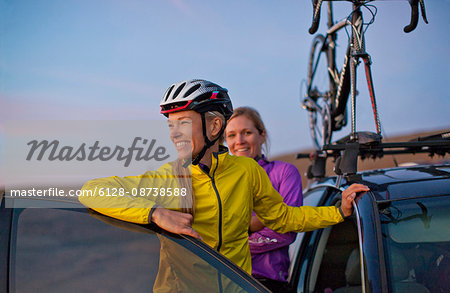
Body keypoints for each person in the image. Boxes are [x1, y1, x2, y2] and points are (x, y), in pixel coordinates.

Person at [79, 79, 369, 276]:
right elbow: (91, 191)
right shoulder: (169, 177)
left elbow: (283, 218)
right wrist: (154, 213)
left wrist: (338, 212)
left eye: (183, 123)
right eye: (170, 125)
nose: (174, 133)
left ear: (215, 125)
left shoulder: (246, 171)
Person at [225, 106, 302, 291]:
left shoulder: (284, 173)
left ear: (262, 135)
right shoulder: (219, 180)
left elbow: (286, 230)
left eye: (247, 132)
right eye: (232, 135)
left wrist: (232, 246)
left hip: (266, 284)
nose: (239, 141)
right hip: (223, 281)